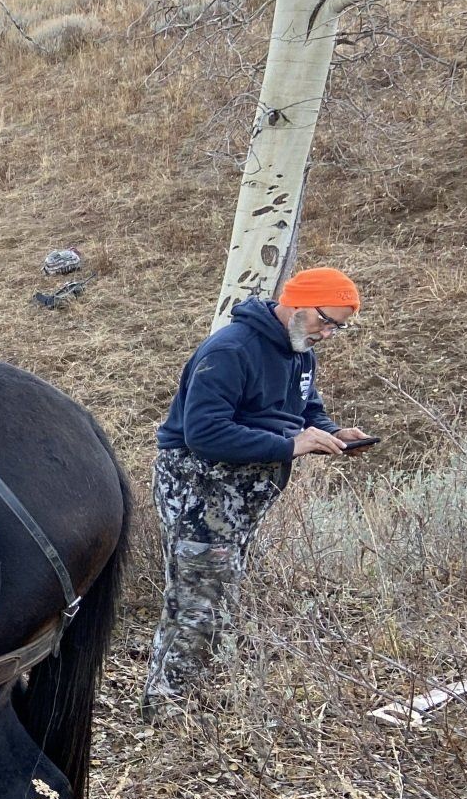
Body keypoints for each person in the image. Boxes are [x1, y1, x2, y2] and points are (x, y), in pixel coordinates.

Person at [143, 267, 372, 710]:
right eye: (327, 320)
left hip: (242, 495)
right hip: (200, 489)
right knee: (201, 605)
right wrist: (289, 446)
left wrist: (332, 433)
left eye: (338, 327)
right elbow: (203, 432)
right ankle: (170, 710)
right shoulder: (231, 350)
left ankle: (180, 699)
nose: (328, 333)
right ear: (298, 303)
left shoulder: (300, 351)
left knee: (209, 599)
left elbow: (306, 409)